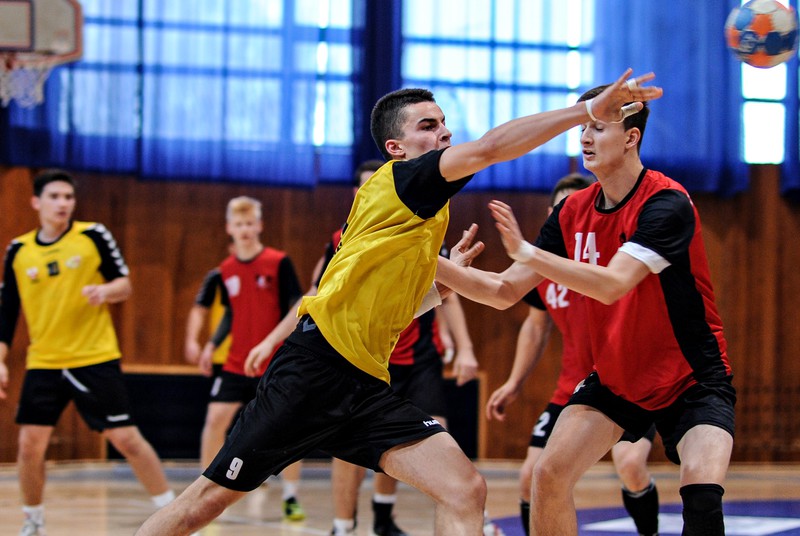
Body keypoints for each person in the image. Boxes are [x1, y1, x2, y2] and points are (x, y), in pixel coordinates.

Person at [135, 69, 662, 536]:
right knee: (203, 504)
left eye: (444, 123)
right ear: (396, 148)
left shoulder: (419, 217)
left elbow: (401, 307)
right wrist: (587, 112)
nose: (444, 133)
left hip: (365, 385)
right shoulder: (406, 180)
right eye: (427, 126)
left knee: (464, 488)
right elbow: (490, 149)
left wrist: (447, 283)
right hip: (313, 373)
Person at [437, 80, 733, 536]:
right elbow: (503, 291)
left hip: (690, 377)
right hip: (617, 379)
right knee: (548, 475)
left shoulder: (666, 202)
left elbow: (614, 283)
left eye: (598, 127)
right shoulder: (571, 211)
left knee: (702, 496)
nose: (585, 138)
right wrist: (426, 259)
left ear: (631, 137)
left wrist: (529, 253)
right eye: (582, 129)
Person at [0, 170, 175, 536]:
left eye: (68, 197)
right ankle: (33, 521)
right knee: (30, 445)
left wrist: (105, 292)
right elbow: (8, 311)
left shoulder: (92, 235)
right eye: (54, 196)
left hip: (94, 357)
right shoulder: (18, 250)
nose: (63, 203)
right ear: (36, 202)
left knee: (126, 439)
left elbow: (124, 284)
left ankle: (174, 513)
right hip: (44, 361)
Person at [485, 173, 658, 536]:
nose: (570, 212)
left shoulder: (616, 261)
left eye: (577, 205)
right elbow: (535, 325)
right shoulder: (542, 269)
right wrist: (514, 382)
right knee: (531, 475)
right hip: (572, 389)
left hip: (626, 385)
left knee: (630, 465)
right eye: (561, 207)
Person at [194, 196, 307, 521]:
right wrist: (211, 344)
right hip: (236, 362)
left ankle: (290, 495)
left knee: (287, 428)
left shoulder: (278, 261)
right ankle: (203, 494)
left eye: (249, 223)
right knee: (215, 420)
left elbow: (296, 305)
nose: (244, 229)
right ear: (229, 228)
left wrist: (282, 344)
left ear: (259, 226)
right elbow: (231, 313)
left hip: (273, 360)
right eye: (238, 224)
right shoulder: (226, 269)